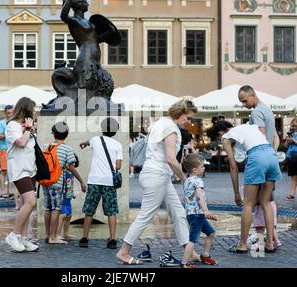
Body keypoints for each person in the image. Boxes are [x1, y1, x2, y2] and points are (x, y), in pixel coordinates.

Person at [116, 100, 197, 265]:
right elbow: (170, 159)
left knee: (178, 213)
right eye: (188, 117)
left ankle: (190, 252)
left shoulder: (159, 123)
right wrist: (185, 179)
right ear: (180, 113)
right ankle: (124, 252)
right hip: (157, 175)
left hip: (157, 175)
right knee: (145, 216)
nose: (189, 121)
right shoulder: (172, 129)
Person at [211, 121, 282, 253]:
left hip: (256, 157)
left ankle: (242, 244)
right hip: (271, 155)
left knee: (248, 204)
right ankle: (270, 244)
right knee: (265, 202)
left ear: (220, 133)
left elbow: (233, 167)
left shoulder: (226, 137)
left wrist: (237, 192)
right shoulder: (249, 126)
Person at [79, 118, 123, 250]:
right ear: (115, 131)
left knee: (89, 210)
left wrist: (83, 143)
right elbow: (118, 166)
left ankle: (85, 238)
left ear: (102, 129)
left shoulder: (96, 140)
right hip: (109, 182)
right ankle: (112, 239)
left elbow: (87, 142)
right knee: (111, 211)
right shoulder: (117, 145)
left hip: (94, 181)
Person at [4, 97, 39, 253]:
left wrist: (30, 129)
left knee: (28, 204)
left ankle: (24, 239)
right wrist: (27, 129)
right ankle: (14, 234)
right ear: (26, 110)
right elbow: (21, 143)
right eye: (32, 109)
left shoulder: (25, 127)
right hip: (19, 169)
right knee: (30, 202)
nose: (34, 112)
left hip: (30, 169)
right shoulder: (12, 126)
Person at [43, 122, 86, 244]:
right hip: (57, 182)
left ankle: (47, 235)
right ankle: (53, 237)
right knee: (56, 208)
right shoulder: (67, 149)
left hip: (45, 181)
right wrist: (82, 181)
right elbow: (71, 167)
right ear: (66, 134)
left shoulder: (46, 146)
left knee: (47, 208)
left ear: (53, 133)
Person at [181, 154, 218, 268]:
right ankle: (184, 263)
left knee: (211, 233)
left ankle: (205, 255)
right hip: (198, 214)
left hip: (193, 214)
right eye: (202, 166)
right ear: (195, 169)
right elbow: (199, 197)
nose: (204, 168)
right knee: (192, 240)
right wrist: (206, 211)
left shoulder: (187, 181)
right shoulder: (198, 181)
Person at [238, 86, 280, 150]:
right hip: (269, 154)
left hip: (260, 153)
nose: (243, 104)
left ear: (253, 95)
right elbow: (275, 136)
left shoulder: (256, 112)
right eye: (241, 102)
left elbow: (261, 137)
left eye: (245, 101)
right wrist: (274, 151)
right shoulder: (267, 109)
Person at [0, 105, 14, 199]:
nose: (10, 114)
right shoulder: (2, 123)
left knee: (11, 171)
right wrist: (8, 133)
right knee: (4, 171)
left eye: (11, 112)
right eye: (8, 113)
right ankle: (3, 191)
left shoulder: (15, 122)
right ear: (5, 113)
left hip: (13, 149)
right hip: (4, 149)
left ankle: (10, 191)